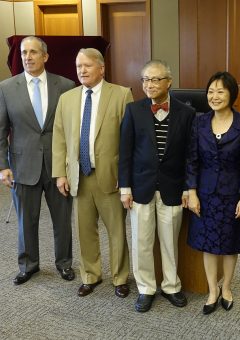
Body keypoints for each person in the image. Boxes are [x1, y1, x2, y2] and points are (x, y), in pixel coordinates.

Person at [52, 48, 133, 298]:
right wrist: (60, 174)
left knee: (116, 230)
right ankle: (90, 275)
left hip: (110, 175)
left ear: (101, 68)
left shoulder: (121, 94)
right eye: (79, 66)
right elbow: (60, 138)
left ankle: (120, 277)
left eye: (87, 66)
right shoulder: (67, 98)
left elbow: (130, 139)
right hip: (79, 175)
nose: (82, 71)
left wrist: (126, 175)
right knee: (84, 230)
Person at [118, 60, 195, 312]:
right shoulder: (133, 110)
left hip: (173, 188)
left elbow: (189, 155)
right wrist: (125, 188)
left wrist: (187, 187)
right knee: (142, 240)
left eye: (155, 79)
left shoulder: (186, 113)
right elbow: (125, 152)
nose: (149, 85)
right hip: (140, 187)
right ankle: (146, 288)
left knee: (169, 241)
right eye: (145, 80)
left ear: (169, 82)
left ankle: (172, 286)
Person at [0, 36, 75, 285]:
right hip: (23, 165)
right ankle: (28, 265)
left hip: (58, 166)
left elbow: (72, 128)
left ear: (45, 56)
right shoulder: (7, 88)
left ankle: (64, 263)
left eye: (33, 52)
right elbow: (1, 131)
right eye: (23, 52)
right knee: (26, 220)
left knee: (62, 220)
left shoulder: (65, 85)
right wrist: (3, 166)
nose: (27, 57)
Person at [186, 71, 240, 315]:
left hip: (232, 194)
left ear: (232, 94)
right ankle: (211, 291)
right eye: (211, 91)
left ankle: (226, 287)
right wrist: (191, 191)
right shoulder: (199, 122)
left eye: (220, 91)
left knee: (229, 243)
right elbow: (192, 160)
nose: (214, 96)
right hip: (205, 193)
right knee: (208, 243)